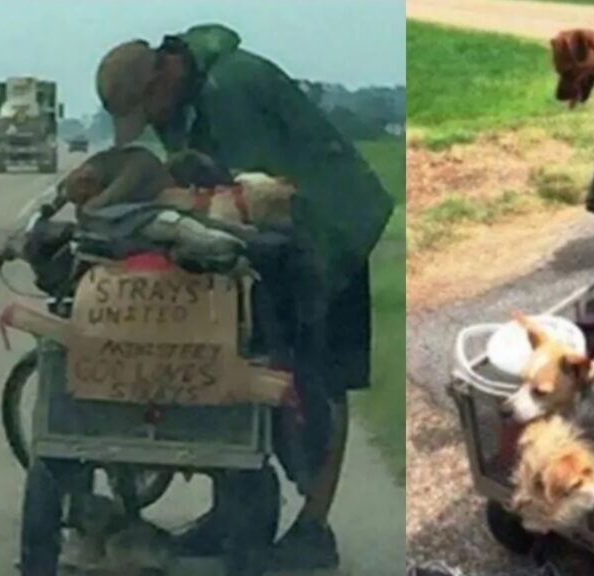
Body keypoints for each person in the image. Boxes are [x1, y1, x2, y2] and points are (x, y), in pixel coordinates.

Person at [95, 24, 393, 570]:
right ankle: (229, 516)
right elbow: (196, 179)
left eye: (148, 110)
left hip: (333, 231)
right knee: (242, 358)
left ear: (165, 74)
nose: (153, 124)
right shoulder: (187, 98)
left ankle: (313, 529)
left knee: (321, 377)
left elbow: (251, 194)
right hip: (286, 234)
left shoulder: (232, 87)